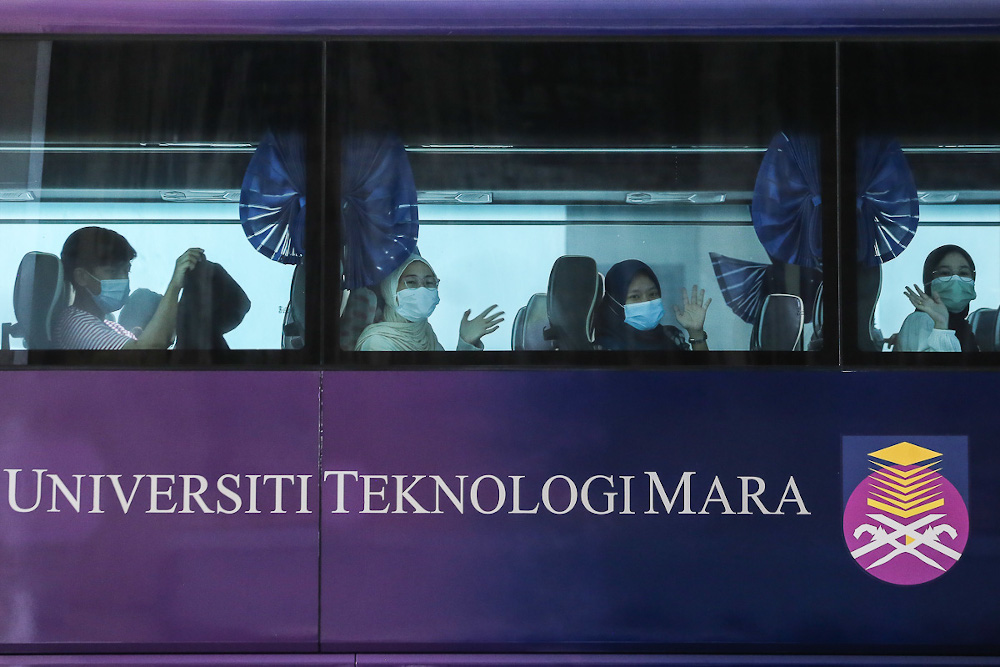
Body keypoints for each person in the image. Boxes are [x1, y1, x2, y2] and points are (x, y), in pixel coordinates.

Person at [53, 226, 205, 350]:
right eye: (112, 272)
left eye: (126, 271)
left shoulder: (108, 325)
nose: (123, 279)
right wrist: (175, 285)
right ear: (82, 277)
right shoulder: (76, 324)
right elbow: (147, 354)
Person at [355, 253, 503, 351]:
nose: (422, 289)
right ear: (390, 290)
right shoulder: (377, 342)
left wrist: (466, 341)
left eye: (429, 282)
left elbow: (449, 381)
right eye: (411, 282)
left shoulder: (426, 333)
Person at [595, 259, 711, 351]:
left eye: (653, 294)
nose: (647, 301)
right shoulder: (604, 346)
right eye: (635, 296)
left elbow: (704, 377)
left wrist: (696, 333)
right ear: (614, 304)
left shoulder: (671, 336)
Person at [895, 244, 978, 352]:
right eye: (945, 273)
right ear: (929, 280)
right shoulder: (921, 321)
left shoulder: (963, 326)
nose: (955, 279)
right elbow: (941, 367)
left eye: (963, 273)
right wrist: (941, 327)